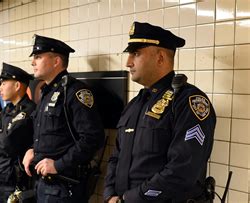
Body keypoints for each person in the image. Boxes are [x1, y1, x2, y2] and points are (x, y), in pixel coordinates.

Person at [104, 22, 216, 202]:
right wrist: (110, 194)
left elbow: (182, 170)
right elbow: (116, 156)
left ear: (160, 57)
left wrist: (131, 198)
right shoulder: (135, 104)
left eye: (136, 53)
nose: (128, 62)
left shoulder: (188, 102)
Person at [22, 35, 105, 203]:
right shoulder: (47, 92)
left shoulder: (75, 92)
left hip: (64, 188)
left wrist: (58, 165)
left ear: (56, 61)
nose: (33, 63)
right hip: (43, 184)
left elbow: (93, 138)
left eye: (38, 57)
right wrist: (33, 150)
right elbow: (50, 134)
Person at [0, 63, 36, 203]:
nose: (0, 88)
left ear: (17, 86)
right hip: (1, 177)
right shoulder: (5, 111)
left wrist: (0, 137)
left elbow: (7, 143)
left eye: (3, 83)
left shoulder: (28, 111)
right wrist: (0, 137)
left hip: (17, 181)